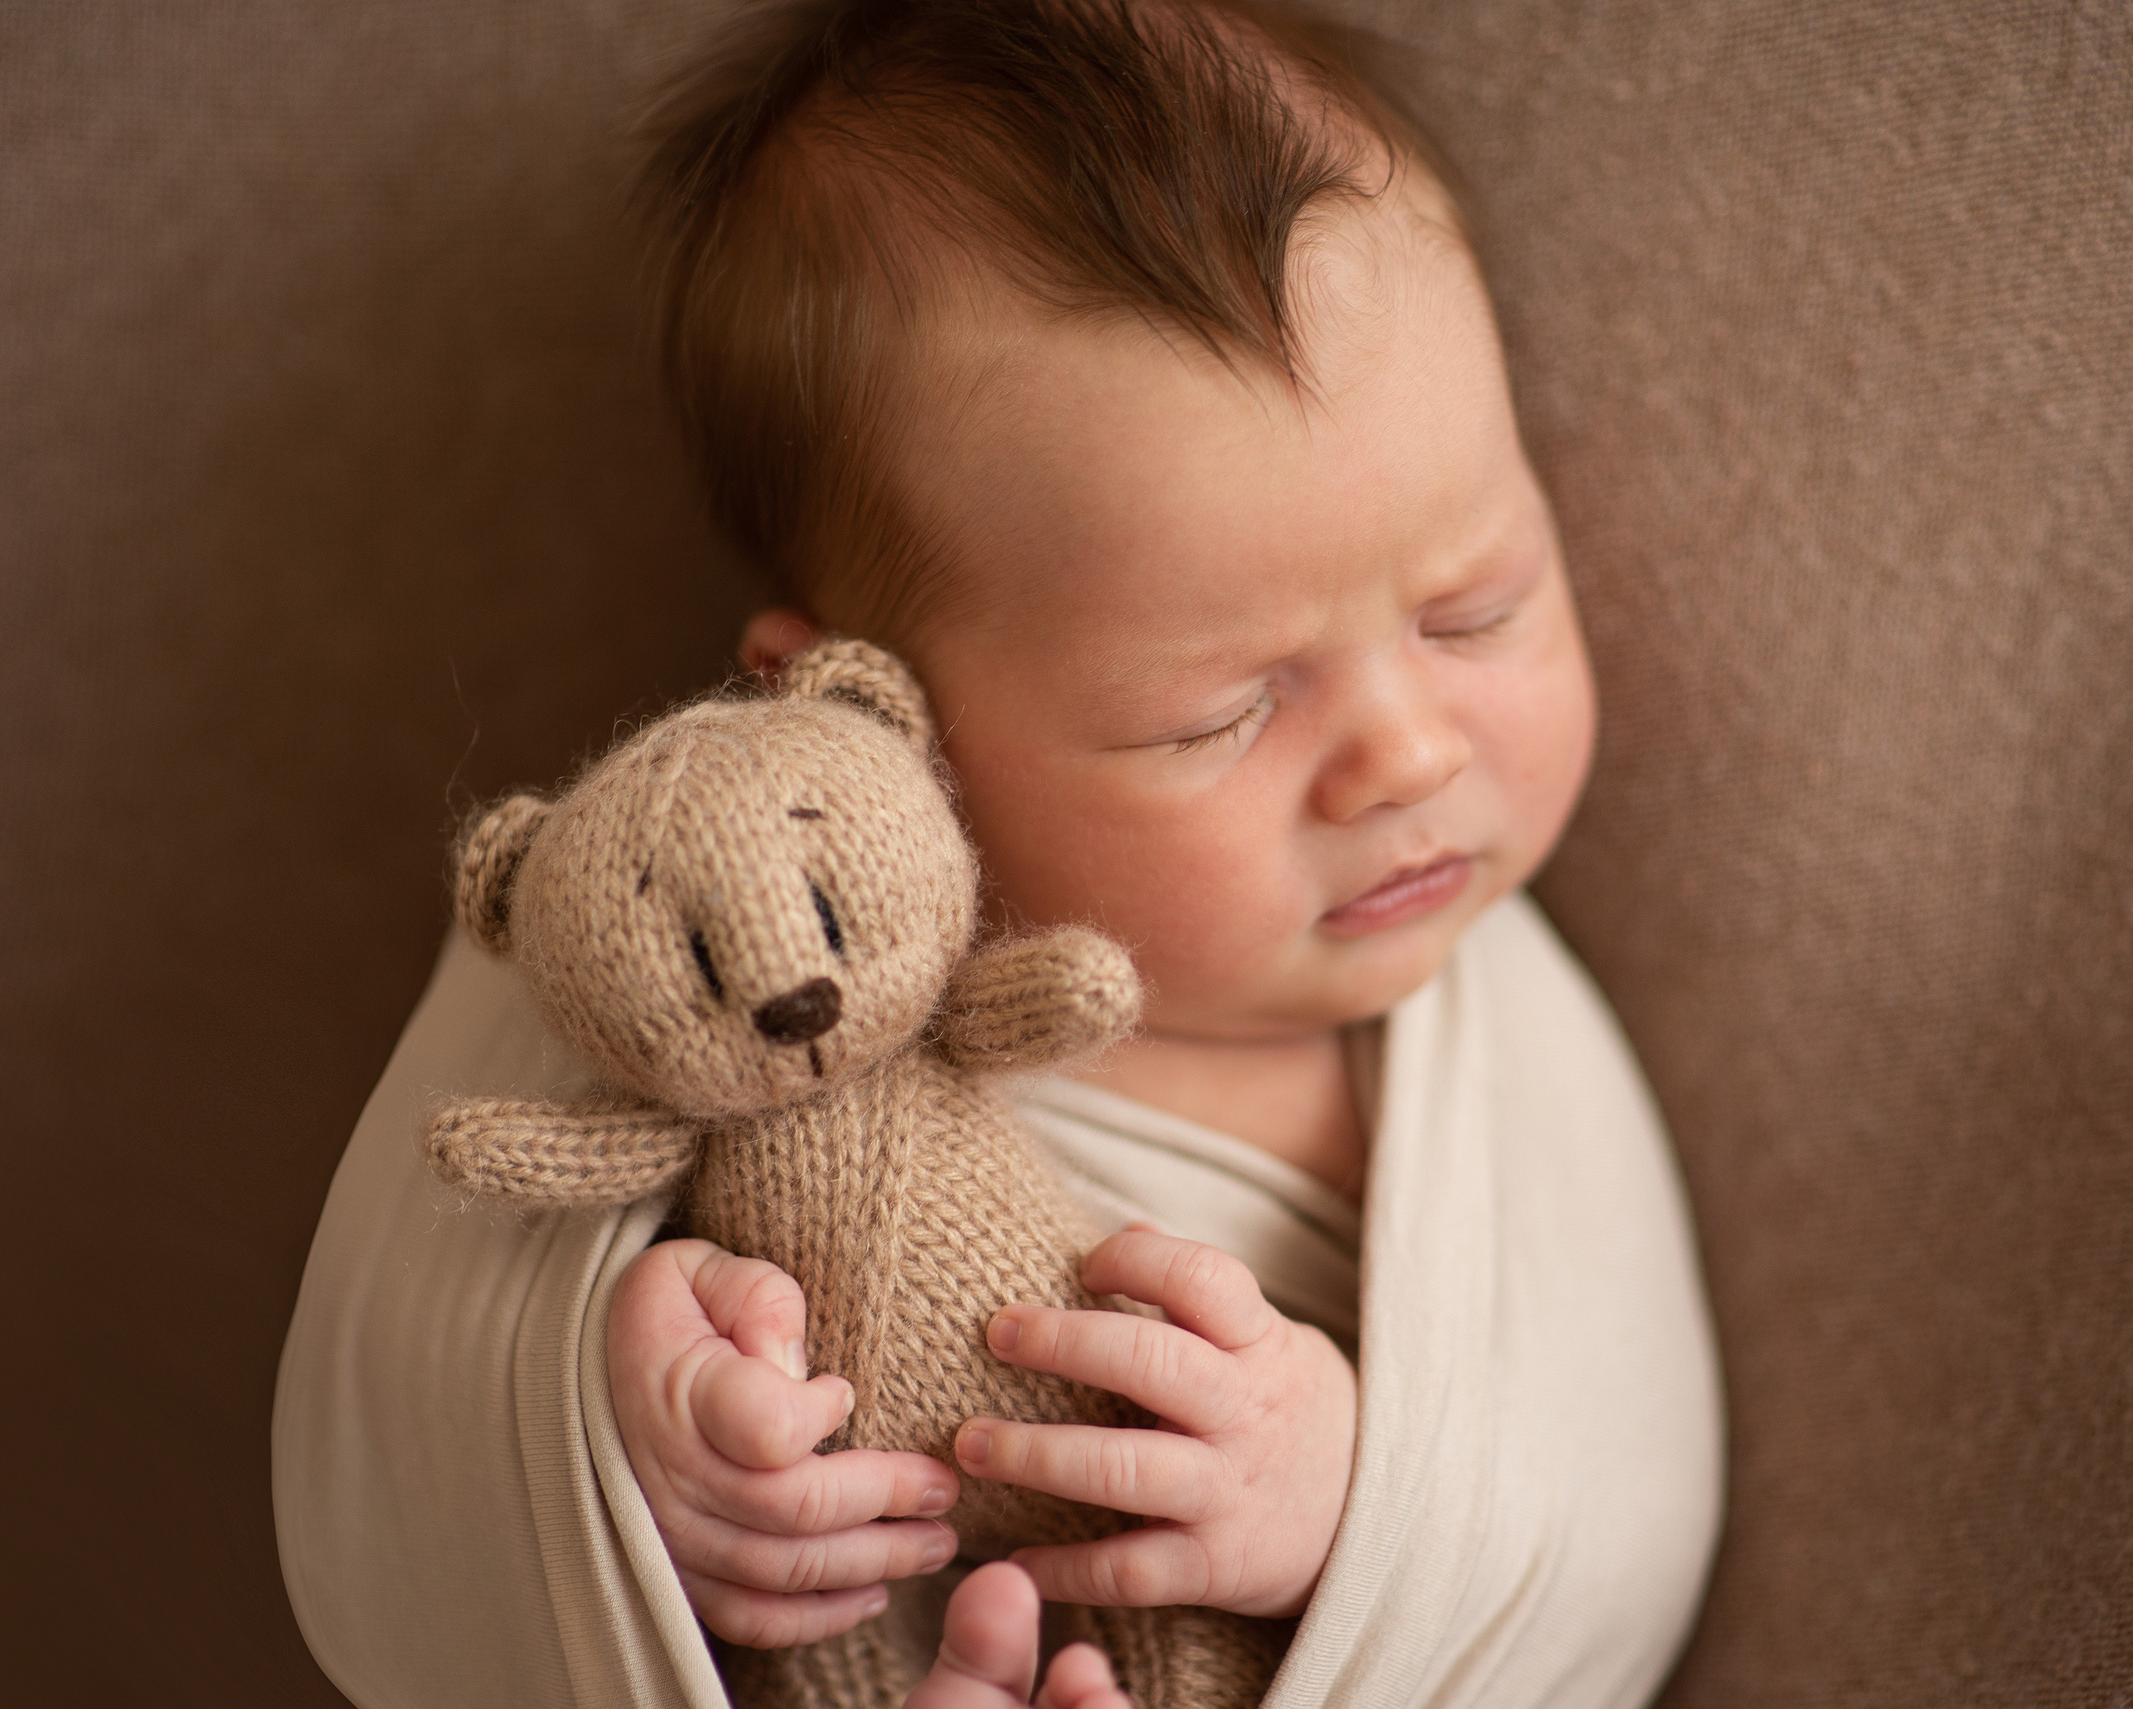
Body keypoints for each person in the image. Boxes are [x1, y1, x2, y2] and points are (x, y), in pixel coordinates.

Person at [273, 3, 1723, 1705]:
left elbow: (1624, 1492)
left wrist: (1362, 1498)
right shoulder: (692, 945)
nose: (1410, 754)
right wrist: (636, 1450)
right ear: (879, 717)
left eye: (1477, 607)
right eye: (1217, 713)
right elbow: (419, 1371)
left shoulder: (1510, 1059)